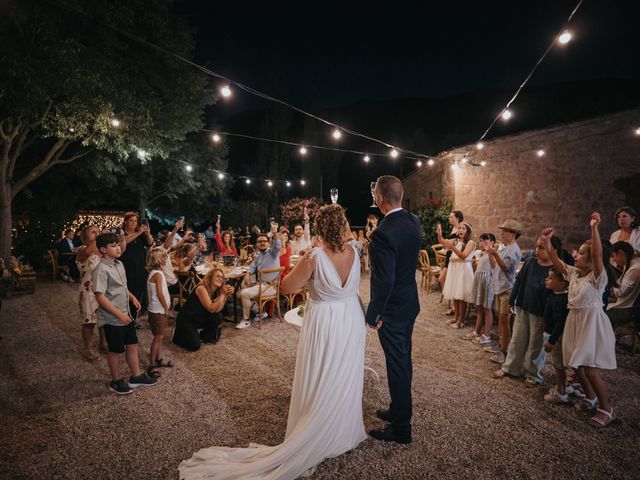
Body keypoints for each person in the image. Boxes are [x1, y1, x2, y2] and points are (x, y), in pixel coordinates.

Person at [178, 204, 366, 479]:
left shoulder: (314, 257)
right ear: (343, 225)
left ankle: (317, 427)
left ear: (322, 228)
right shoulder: (355, 251)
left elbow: (287, 287)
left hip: (325, 320)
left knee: (323, 372)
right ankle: (341, 429)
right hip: (350, 317)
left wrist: (307, 263)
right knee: (344, 372)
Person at [541, 212, 618, 427]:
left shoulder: (597, 278)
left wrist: (594, 228)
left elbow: (597, 256)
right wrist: (547, 242)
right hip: (575, 322)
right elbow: (556, 262)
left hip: (590, 324)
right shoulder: (574, 273)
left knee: (590, 368)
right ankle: (591, 398)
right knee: (575, 366)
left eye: (582, 253)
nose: (576, 255)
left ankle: (607, 409)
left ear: (591, 259)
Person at [366, 175, 421, 444]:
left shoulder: (383, 233)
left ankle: (401, 428)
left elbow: (384, 281)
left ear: (379, 199)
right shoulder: (413, 221)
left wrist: (373, 314)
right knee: (403, 359)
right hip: (410, 303)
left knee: (397, 364)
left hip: (393, 311)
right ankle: (398, 409)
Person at [92, 233, 157, 395]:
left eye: (118, 244)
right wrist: (119, 315)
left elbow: (122, 286)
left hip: (126, 313)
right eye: (113, 245)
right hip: (113, 318)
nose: (118, 247)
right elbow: (100, 296)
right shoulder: (100, 269)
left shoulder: (119, 264)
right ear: (103, 249)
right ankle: (116, 380)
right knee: (115, 350)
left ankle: (136, 376)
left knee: (132, 344)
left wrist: (132, 297)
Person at [493, 237, 553, 385]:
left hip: (540, 311)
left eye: (541, 248)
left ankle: (532, 374)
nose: (537, 250)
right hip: (524, 306)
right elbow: (519, 281)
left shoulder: (554, 269)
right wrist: (512, 300)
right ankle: (510, 367)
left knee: (536, 344)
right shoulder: (530, 262)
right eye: (537, 247)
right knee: (517, 339)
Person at [485, 219, 522, 363]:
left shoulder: (514, 249)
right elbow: (495, 267)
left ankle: (505, 351)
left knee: (504, 320)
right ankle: (501, 346)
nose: (502, 233)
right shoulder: (505, 248)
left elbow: (506, 268)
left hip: (507, 289)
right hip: (501, 287)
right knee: (500, 320)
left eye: (505, 231)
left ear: (513, 234)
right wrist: (490, 254)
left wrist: (494, 254)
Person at [172, 268, 232, 351]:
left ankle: (205, 336)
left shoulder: (216, 291)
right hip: (186, 319)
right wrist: (222, 295)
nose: (220, 279)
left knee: (218, 316)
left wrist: (224, 296)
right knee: (194, 346)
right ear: (210, 277)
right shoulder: (201, 288)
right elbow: (211, 308)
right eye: (217, 276)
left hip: (199, 317)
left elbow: (217, 310)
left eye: (222, 277)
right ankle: (178, 333)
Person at [235, 228, 281, 330]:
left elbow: (277, 245)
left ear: (268, 243)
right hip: (261, 285)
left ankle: (246, 321)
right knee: (238, 293)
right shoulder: (259, 256)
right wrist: (247, 273)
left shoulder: (273, 253)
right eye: (260, 241)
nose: (262, 243)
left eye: (264, 241)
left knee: (244, 293)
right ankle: (260, 313)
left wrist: (274, 233)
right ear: (256, 244)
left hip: (270, 287)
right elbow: (251, 267)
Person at [76, 225, 108, 360]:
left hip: (103, 288)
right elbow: (88, 252)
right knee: (89, 321)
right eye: (92, 232)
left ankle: (103, 343)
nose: (96, 234)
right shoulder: (81, 249)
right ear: (85, 236)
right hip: (88, 290)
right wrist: (99, 238)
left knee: (103, 318)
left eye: (98, 232)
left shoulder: (102, 251)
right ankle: (87, 349)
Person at [437, 221, 475, 328]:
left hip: (463, 269)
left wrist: (452, 247)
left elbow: (463, 255)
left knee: (461, 296)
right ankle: (456, 317)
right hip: (455, 269)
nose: (461, 230)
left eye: (463, 228)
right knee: (455, 294)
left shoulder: (471, 243)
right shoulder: (456, 241)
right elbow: (443, 242)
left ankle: (461, 321)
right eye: (460, 228)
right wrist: (439, 234)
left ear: (468, 231)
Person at [542, 267, 571, 403]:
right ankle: (562, 386)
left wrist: (551, 341)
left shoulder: (561, 300)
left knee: (558, 365)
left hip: (557, 338)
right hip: (553, 335)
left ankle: (561, 392)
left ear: (562, 284)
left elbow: (560, 323)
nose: (547, 280)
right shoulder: (554, 295)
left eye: (551, 278)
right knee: (557, 363)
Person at [464, 233, 495, 344]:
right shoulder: (481, 254)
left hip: (487, 282)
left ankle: (486, 335)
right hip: (480, 281)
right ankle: (477, 330)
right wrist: (474, 266)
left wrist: (490, 252)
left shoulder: (494, 253)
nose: (482, 243)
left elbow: (494, 267)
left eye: (485, 241)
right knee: (479, 307)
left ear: (492, 243)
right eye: (481, 241)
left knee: (487, 308)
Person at [120, 212, 154, 316]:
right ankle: (127, 315)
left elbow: (150, 243)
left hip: (140, 267)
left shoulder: (140, 234)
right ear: (126, 222)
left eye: (135, 221)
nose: (134, 223)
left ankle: (134, 316)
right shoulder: (122, 234)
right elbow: (124, 241)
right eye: (131, 220)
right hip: (127, 267)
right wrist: (139, 232)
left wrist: (148, 234)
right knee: (129, 291)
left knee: (139, 291)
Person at [146, 248, 171, 376]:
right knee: (158, 337)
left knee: (160, 336)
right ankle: (152, 364)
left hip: (156, 309)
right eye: (164, 258)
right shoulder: (158, 274)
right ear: (158, 259)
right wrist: (166, 307)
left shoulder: (154, 272)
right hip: (158, 310)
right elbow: (160, 294)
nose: (166, 260)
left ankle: (159, 358)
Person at [606, 241, 640, 325]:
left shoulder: (635, 269)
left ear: (621, 253)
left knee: (599, 316)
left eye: (614, 256)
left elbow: (620, 293)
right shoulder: (629, 265)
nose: (614, 260)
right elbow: (618, 284)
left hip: (627, 308)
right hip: (624, 305)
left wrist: (611, 281)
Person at [438, 211, 464, 304]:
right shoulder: (452, 228)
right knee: (441, 279)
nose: (449, 219)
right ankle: (451, 302)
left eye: (451, 217)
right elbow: (444, 243)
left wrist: (447, 243)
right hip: (449, 256)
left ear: (457, 218)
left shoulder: (461, 229)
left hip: (456, 257)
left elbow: (450, 244)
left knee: (453, 281)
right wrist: (439, 234)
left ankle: (453, 305)